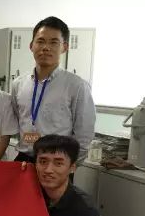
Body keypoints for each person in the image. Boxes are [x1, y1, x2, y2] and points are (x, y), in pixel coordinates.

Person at [11, 16, 95, 162]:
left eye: (54, 42)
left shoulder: (77, 86)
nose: (46, 47)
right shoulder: (18, 84)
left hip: (57, 162)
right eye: (40, 41)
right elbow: (17, 120)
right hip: (25, 160)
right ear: (31, 46)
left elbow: (84, 135)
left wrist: (69, 165)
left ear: (65, 47)